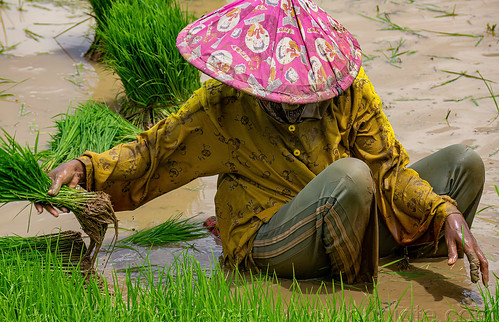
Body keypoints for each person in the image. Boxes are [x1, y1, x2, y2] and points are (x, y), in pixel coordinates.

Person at [36, 0, 488, 285]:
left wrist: (443, 210)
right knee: (351, 177)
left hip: (350, 222)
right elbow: (155, 153)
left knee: (463, 164)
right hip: (272, 237)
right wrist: (85, 168)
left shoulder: (350, 88)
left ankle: (430, 260)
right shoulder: (223, 106)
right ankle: (358, 288)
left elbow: (388, 171)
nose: (292, 103)